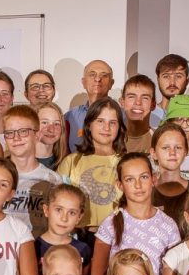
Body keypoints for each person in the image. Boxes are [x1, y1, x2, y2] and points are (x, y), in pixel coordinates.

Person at [91, 153, 181, 275]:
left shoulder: (169, 226)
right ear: (120, 185)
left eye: (144, 177)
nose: (138, 185)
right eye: (129, 179)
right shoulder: (110, 224)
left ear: (154, 179)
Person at [57, 98, 126, 229]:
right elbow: (58, 204)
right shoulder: (71, 162)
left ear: (119, 127)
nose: (106, 128)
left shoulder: (127, 162)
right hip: (79, 233)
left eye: (112, 123)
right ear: (89, 125)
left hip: (116, 233)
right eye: (100, 121)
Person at [0, 105, 61, 235]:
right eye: (10, 133)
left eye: (23, 131)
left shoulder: (52, 180)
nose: (16, 138)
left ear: (37, 135)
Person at [33, 183, 93, 275]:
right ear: (46, 210)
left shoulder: (83, 249)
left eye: (72, 213)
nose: (64, 218)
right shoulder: (33, 248)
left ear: (79, 217)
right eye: (59, 210)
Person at [66, 59, 115, 150]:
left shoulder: (122, 116)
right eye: (92, 74)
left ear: (111, 83)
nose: (98, 79)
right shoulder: (70, 117)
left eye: (104, 75)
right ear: (83, 82)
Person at [149, 122, 189, 221]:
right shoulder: (143, 193)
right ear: (153, 153)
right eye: (165, 148)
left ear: (185, 152)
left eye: (178, 147)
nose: (172, 153)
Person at [119, 75, 157, 153]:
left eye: (145, 98)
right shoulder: (111, 139)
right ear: (122, 102)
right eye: (131, 97)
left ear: (153, 105)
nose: (138, 102)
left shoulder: (160, 139)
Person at [152, 54, 189, 126]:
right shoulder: (146, 115)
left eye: (178, 76)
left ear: (187, 80)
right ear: (158, 80)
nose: (172, 82)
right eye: (166, 76)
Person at [34, 102, 67, 170]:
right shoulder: (18, 163)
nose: (51, 129)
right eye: (44, 122)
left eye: (56, 123)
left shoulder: (67, 163)